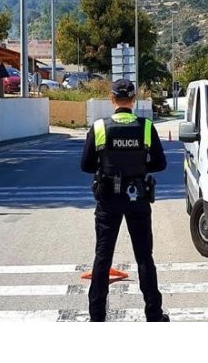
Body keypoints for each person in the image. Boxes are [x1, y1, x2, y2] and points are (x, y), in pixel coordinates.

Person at [80, 78, 169, 322]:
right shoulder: (146, 127)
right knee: (144, 257)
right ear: (133, 99)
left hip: (108, 200)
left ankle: (97, 317)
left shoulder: (99, 127)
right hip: (137, 197)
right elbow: (160, 163)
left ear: (111, 99)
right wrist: (140, 166)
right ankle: (154, 314)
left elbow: (86, 166)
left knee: (102, 257)